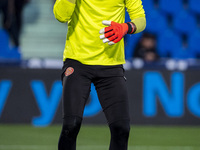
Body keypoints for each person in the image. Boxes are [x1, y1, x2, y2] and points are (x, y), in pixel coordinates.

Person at [53, 0, 146, 150]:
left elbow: (140, 19)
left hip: (111, 64)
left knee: (121, 129)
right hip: (78, 61)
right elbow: (61, 16)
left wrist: (126, 27)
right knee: (71, 126)